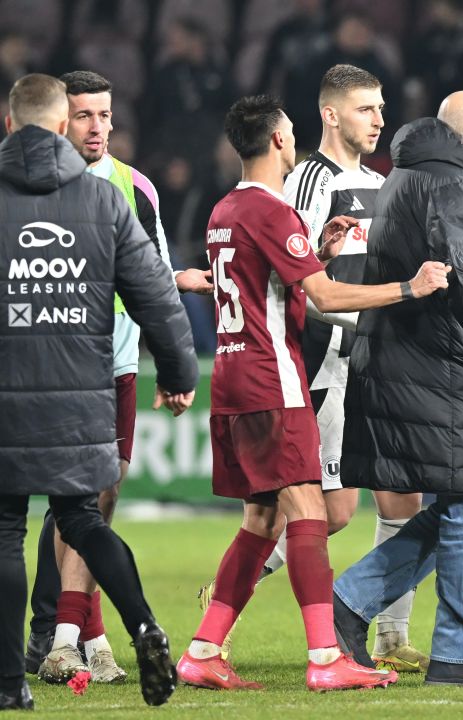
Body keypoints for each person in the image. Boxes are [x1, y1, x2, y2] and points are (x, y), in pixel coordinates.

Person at [175, 94, 449, 692]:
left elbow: (264, 284)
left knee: (262, 516)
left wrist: (317, 251)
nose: (293, 140)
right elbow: (324, 298)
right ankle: (327, 658)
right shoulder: (271, 211)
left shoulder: (226, 208)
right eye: (290, 132)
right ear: (277, 141)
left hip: (231, 375)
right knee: (308, 510)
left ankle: (202, 649)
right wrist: (409, 288)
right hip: (274, 379)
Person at [331, 90, 463, 686]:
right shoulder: (450, 187)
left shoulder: (411, 175)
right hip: (436, 372)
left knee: (460, 503)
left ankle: (347, 603)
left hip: (414, 366)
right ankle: (457, 653)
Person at [1, 72, 198, 709]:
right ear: (62, 125)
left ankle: (11, 683)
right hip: (82, 393)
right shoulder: (102, 201)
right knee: (82, 518)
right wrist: (178, 372)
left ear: (9, 124)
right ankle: (145, 626)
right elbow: (159, 299)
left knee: (5, 532)